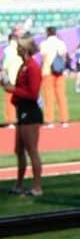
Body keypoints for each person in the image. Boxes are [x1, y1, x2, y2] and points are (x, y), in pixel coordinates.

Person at [1, 35, 44, 196]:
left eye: (19, 47)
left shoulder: (32, 67)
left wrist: (13, 90)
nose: (17, 49)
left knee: (32, 149)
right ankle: (19, 184)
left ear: (24, 49)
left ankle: (37, 186)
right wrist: (9, 86)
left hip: (30, 111)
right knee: (19, 150)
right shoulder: (24, 66)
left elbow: (33, 93)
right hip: (22, 109)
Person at [39, 26, 70, 126]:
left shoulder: (44, 44)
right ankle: (64, 120)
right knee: (61, 96)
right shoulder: (61, 43)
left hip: (47, 72)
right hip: (59, 72)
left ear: (47, 33)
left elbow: (43, 58)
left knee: (48, 97)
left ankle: (49, 120)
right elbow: (65, 57)